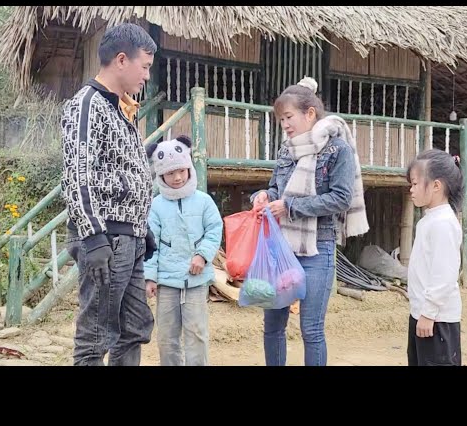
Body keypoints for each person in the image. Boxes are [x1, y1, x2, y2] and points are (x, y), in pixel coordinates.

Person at [252, 76, 369, 366]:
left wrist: (290, 206)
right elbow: (275, 189)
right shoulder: (285, 151)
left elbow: (341, 199)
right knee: (273, 325)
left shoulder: (337, 149)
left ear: (310, 114)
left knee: (311, 328)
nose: (285, 125)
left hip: (319, 247)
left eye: (288, 117)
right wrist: (264, 196)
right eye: (281, 120)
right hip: (281, 246)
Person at [62, 22, 158, 366]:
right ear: (121, 60)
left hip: (128, 237)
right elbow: (77, 174)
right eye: (144, 66)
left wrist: (140, 226)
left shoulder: (121, 109)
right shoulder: (86, 104)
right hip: (105, 239)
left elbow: (125, 172)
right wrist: (93, 238)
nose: (146, 75)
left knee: (134, 327)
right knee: (95, 338)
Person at [143, 136, 223, 366]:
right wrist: (149, 277)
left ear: (189, 168)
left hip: (196, 280)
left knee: (196, 334)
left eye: (181, 170)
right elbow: (150, 244)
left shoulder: (204, 201)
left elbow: (214, 229)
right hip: (166, 282)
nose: (177, 177)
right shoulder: (155, 206)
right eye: (170, 173)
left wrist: (203, 255)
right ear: (161, 175)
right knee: (167, 337)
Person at [406, 149, 463, 366]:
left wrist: (428, 313)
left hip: (437, 320)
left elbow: (444, 275)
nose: (411, 190)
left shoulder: (443, 224)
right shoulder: (429, 221)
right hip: (422, 315)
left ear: (436, 186)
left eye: (415, 183)